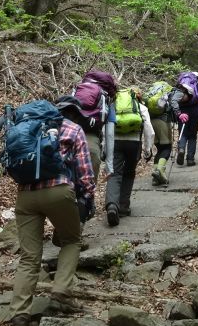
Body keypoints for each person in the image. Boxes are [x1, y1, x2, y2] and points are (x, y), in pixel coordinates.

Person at [7, 114, 95, 326]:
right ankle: (61, 292)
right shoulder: (74, 128)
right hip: (59, 191)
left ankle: (19, 316)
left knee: (29, 257)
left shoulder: (31, 127)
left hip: (26, 195)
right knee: (71, 241)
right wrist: (87, 197)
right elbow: (85, 172)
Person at [103, 87, 154, 226]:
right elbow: (149, 129)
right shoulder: (141, 107)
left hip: (116, 142)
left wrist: (104, 147)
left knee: (115, 174)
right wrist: (147, 149)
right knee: (129, 173)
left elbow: (105, 128)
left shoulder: (112, 105)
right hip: (134, 143)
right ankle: (124, 206)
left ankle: (112, 205)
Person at [57, 69, 117, 182]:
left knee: (67, 187)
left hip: (67, 142)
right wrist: (109, 166)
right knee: (87, 190)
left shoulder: (77, 92)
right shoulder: (107, 100)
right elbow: (110, 134)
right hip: (91, 146)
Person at [169, 71, 198, 166]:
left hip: (182, 112)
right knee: (192, 135)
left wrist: (178, 113)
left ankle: (181, 149)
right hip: (195, 112)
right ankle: (190, 159)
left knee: (183, 133)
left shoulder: (180, 86)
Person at [144, 80, 174, 185]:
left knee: (159, 148)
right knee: (167, 147)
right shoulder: (168, 91)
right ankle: (160, 170)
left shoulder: (150, 92)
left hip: (151, 122)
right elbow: (172, 106)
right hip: (163, 121)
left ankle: (156, 177)